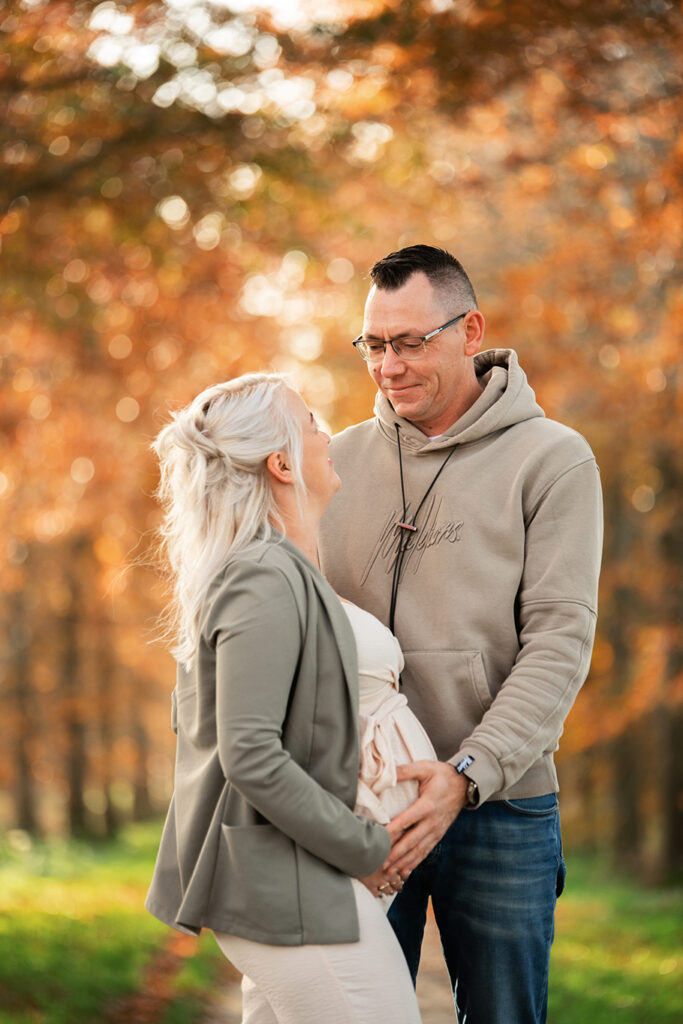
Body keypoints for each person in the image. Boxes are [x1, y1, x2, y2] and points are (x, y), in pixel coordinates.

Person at [318, 244, 604, 1024]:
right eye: (373, 345)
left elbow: (558, 641)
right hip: (360, 805)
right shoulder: (331, 462)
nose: (387, 366)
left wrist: (468, 773)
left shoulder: (552, 459)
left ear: (470, 329)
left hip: (500, 805)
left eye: (409, 342)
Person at [145, 373, 422, 1024]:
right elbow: (248, 753)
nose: (328, 436)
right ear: (279, 462)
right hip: (284, 882)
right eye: (311, 422)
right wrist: (366, 846)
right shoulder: (259, 575)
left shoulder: (280, 568)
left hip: (297, 872)